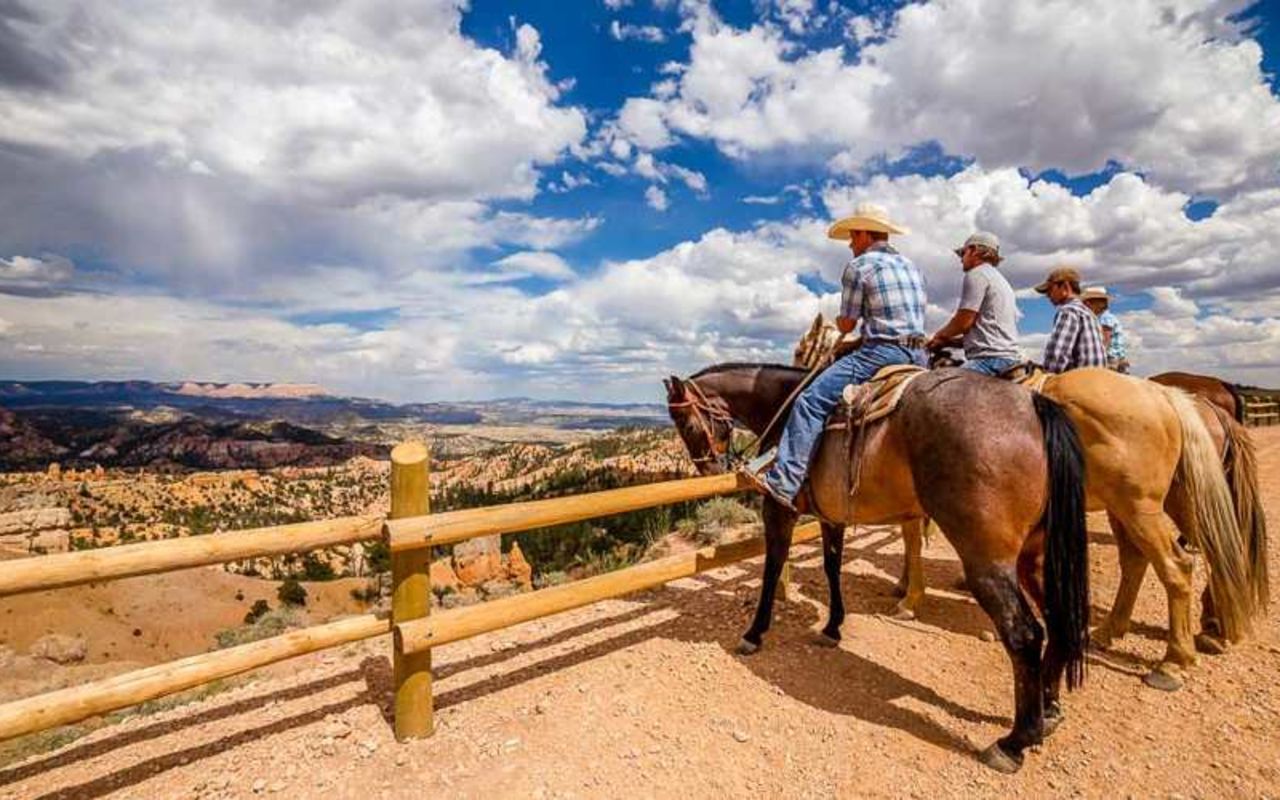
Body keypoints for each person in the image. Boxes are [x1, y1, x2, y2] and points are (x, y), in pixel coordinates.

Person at [747, 203, 927, 511]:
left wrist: (843, 329)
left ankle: (783, 483)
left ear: (863, 233)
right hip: (919, 354)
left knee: (809, 402)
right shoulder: (912, 266)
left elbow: (846, 323)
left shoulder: (859, 267)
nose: (849, 244)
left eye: (852, 237)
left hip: (882, 352)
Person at [926, 231, 1022, 376]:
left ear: (974, 250)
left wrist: (938, 336)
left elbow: (963, 322)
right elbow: (983, 336)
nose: (961, 259)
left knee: (937, 389)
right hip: (1009, 358)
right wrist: (948, 342)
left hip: (990, 360)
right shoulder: (1001, 281)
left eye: (963, 253)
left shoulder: (977, 274)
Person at [1035, 266, 1107, 373]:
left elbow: (1058, 354)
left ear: (1065, 286)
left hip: (1079, 379)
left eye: (1050, 290)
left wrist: (1046, 375)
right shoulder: (1089, 313)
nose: (1048, 296)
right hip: (1098, 377)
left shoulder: (1068, 311)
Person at [1081, 286, 1130, 373]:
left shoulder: (1104, 318)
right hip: (1117, 357)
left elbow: (1105, 341)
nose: (1086, 306)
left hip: (1110, 359)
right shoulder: (1106, 317)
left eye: (1087, 303)